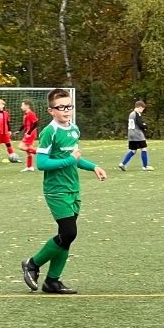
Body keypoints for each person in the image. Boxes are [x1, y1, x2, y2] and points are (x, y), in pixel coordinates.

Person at [20, 88, 107, 295]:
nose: (66, 110)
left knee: (65, 236)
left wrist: (93, 167)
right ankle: (32, 263)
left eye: (69, 106)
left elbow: (75, 158)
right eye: (61, 107)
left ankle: (52, 281)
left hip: (73, 188)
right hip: (56, 190)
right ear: (51, 110)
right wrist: (70, 160)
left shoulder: (74, 129)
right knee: (69, 233)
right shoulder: (49, 132)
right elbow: (42, 163)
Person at [118, 101, 152, 171]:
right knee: (143, 149)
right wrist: (145, 126)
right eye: (142, 109)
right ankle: (145, 166)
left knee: (133, 150)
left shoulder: (131, 114)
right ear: (140, 107)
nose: (142, 111)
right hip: (137, 134)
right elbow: (140, 124)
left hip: (131, 134)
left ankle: (122, 164)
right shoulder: (137, 114)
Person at [0, 98, 20, 164]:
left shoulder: (6, 113)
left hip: (5, 132)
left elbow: (8, 122)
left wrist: (9, 130)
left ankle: (13, 157)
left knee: (8, 144)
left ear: (3, 105)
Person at [17, 100, 39, 172]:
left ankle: (39, 152)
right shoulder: (26, 114)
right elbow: (24, 124)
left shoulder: (30, 114)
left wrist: (29, 132)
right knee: (28, 151)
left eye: (22, 105)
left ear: (27, 106)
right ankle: (29, 167)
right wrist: (19, 131)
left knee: (21, 146)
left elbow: (35, 123)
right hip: (28, 133)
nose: (21, 107)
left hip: (30, 134)